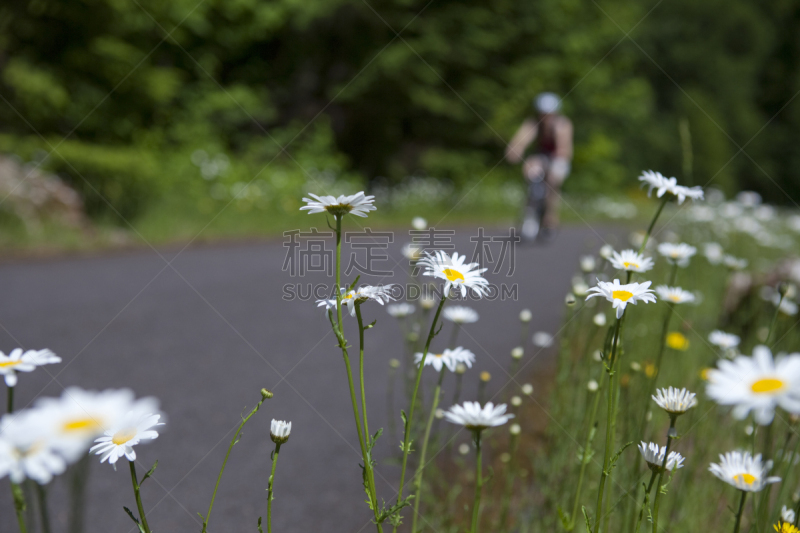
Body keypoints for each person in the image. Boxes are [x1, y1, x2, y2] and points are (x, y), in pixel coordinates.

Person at [505, 92, 573, 239]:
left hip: (559, 159)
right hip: (542, 157)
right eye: (543, 114)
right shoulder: (533, 123)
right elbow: (521, 139)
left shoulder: (562, 124)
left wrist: (550, 162)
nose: (545, 117)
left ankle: (550, 219)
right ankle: (530, 215)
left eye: (549, 114)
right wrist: (515, 150)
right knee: (531, 170)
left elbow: (563, 149)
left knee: (553, 182)